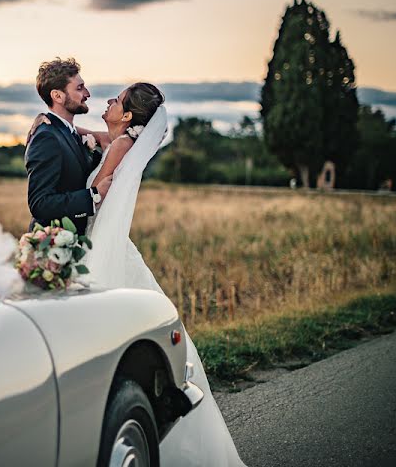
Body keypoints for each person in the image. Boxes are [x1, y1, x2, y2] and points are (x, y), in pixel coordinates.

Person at [29, 82, 245, 466]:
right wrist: (52, 122)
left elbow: (95, 195)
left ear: (128, 117)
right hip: (105, 242)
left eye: (117, 100)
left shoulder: (120, 148)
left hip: (98, 244)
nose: (108, 101)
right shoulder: (118, 141)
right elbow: (85, 134)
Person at [24, 57, 112, 236]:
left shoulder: (70, 133)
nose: (87, 93)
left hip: (75, 244)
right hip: (52, 249)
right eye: (79, 88)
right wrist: (93, 196)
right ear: (57, 96)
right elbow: (40, 204)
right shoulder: (46, 137)